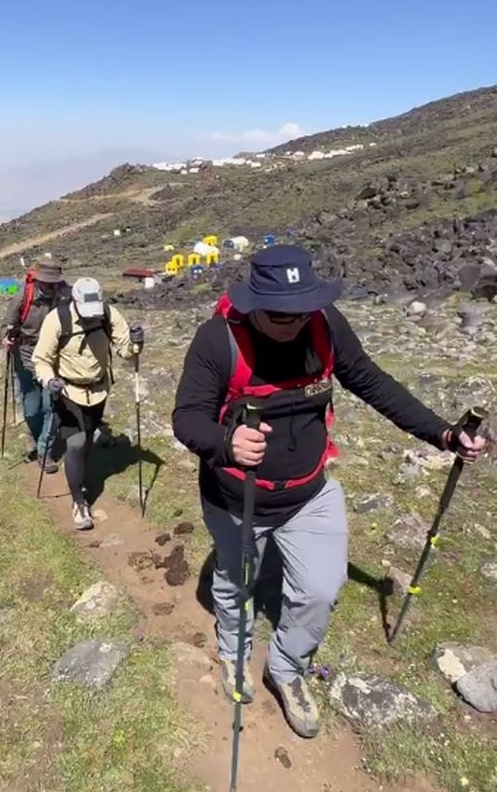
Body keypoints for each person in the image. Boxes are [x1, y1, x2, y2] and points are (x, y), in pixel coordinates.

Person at [172, 244, 486, 739]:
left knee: (320, 588)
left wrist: (442, 434)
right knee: (235, 582)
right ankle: (233, 650)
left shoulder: (324, 325)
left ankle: (287, 668)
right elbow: (187, 417)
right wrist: (226, 444)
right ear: (255, 304)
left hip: (309, 494)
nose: (293, 323)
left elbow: (373, 383)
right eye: (281, 315)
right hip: (235, 497)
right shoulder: (218, 340)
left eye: (302, 310)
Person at [33, 277, 144, 530]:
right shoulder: (56, 320)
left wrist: (136, 343)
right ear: (75, 301)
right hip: (67, 390)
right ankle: (79, 502)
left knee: (88, 440)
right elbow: (42, 359)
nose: (92, 317)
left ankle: (78, 476)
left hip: (98, 391)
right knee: (76, 442)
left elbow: (125, 351)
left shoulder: (109, 314)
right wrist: (49, 380)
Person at [1, 256, 71, 471]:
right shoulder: (23, 296)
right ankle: (35, 433)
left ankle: (44, 451)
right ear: (37, 279)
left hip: (53, 355)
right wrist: (5, 338)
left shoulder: (65, 294)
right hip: (26, 353)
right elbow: (6, 325)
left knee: (51, 405)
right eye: (46, 282)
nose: (50, 286)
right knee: (32, 408)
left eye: (53, 282)